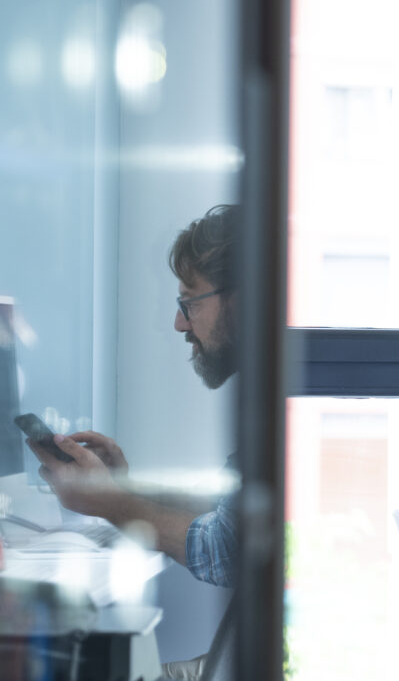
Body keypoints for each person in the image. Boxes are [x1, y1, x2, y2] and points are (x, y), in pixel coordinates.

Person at [26, 204, 240, 589]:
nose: (179, 323)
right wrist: (121, 490)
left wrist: (107, 502)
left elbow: (223, 551)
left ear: (239, 303)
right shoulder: (269, 391)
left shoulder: (283, 404)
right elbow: (225, 509)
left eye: (189, 303)